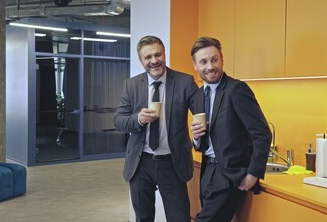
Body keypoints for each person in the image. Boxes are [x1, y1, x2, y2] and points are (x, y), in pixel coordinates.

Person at [114, 35, 198, 222]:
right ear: (141, 60)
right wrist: (138, 119)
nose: (154, 61)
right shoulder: (132, 85)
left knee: (180, 218)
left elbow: (202, 113)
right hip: (140, 163)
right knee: (143, 218)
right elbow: (119, 120)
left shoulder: (185, 82)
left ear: (164, 53)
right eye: (148, 57)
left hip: (173, 163)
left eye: (157, 54)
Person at [190, 36, 272, 221]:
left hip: (229, 175)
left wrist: (253, 173)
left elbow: (262, 133)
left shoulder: (237, 89)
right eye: (203, 62)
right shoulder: (198, 96)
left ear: (222, 60)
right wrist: (196, 138)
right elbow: (206, 141)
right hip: (207, 172)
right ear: (195, 66)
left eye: (214, 59)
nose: (210, 66)